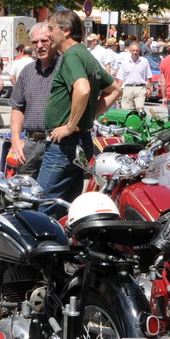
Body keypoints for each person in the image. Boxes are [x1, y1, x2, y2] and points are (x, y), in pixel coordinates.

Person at [37, 11, 118, 200]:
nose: (48, 34)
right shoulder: (85, 54)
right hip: (79, 142)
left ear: (65, 31)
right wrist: (88, 117)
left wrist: (70, 126)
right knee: (67, 201)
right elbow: (114, 90)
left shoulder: (71, 55)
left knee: (43, 201)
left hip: (65, 143)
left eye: (51, 29)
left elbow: (83, 90)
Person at [6, 20, 57, 176]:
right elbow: (17, 107)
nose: (39, 45)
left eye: (44, 41)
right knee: (24, 192)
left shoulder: (65, 67)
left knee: (51, 196)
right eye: (35, 42)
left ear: (53, 40)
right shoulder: (27, 71)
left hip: (57, 146)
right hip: (31, 143)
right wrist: (16, 140)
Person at [112, 40, 151, 113]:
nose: (135, 52)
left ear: (139, 51)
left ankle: (139, 123)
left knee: (140, 110)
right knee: (126, 111)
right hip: (127, 88)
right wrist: (118, 91)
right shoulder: (125, 62)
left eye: (136, 50)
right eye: (133, 50)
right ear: (130, 51)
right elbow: (121, 78)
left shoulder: (144, 61)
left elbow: (149, 77)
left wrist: (149, 88)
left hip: (140, 88)